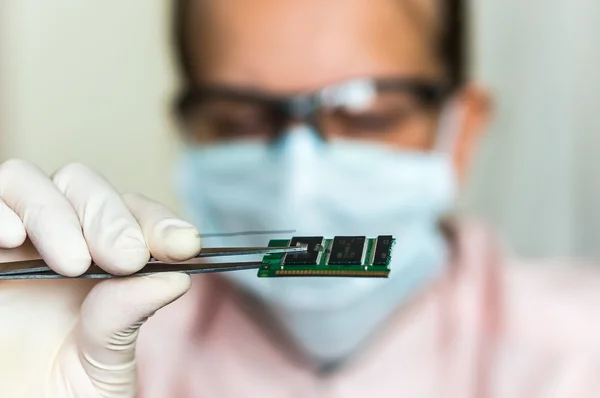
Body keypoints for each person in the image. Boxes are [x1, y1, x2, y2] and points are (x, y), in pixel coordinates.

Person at [2, 0, 600, 397]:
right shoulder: (94, 345)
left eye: (367, 116)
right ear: (188, 130)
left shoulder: (580, 348)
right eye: (240, 119)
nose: (300, 184)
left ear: (462, 131)